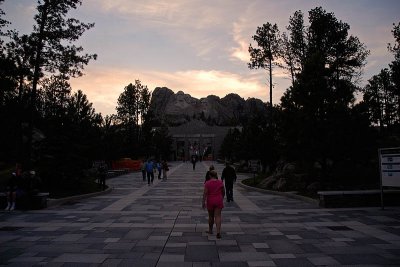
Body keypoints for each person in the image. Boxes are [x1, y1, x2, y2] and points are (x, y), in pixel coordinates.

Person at [202, 170, 225, 239]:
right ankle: (218, 232)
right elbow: (223, 192)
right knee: (218, 216)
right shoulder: (220, 182)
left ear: (210, 175)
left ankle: (210, 230)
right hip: (218, 200)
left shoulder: (207, 183)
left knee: (211, 216)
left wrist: (203, 202)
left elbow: (205, 193)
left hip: (210, 200)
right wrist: (222, 197)